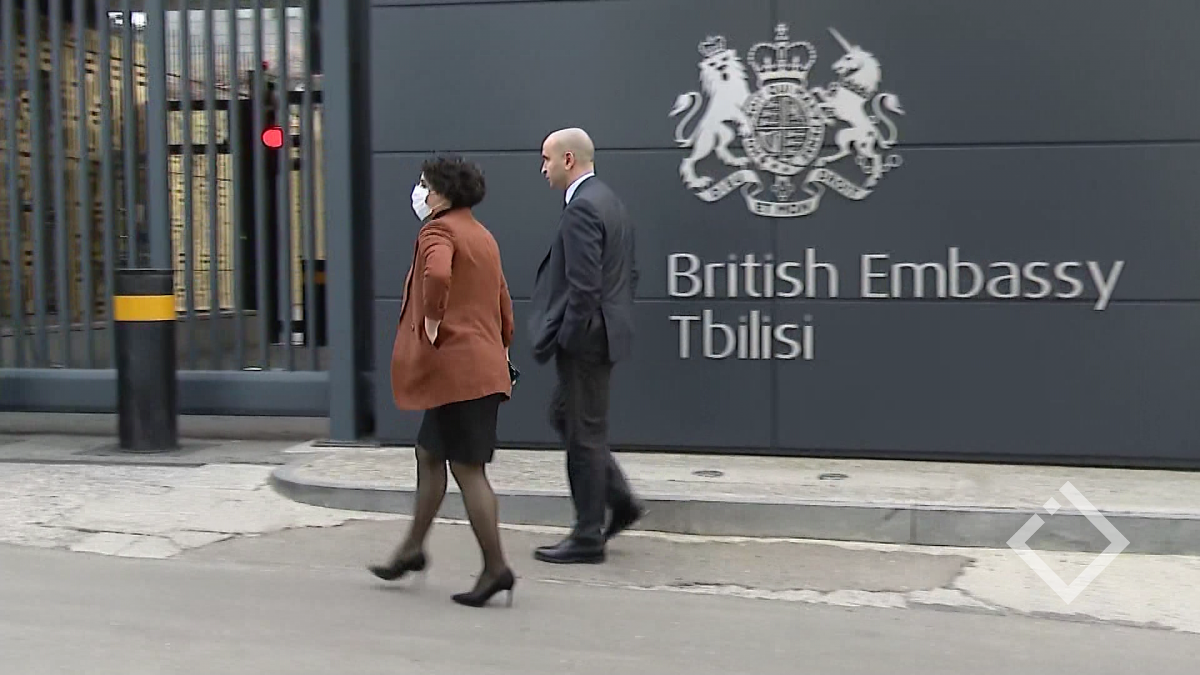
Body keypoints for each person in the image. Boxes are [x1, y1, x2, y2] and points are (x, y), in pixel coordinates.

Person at [370, 155, 517, 608]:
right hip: (480, 368)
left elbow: (436, 274)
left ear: (441, 193)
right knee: (430, 453)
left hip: (458, 371)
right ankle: (412, 549)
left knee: (468, 469)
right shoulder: (482, 235)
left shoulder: (438, 232)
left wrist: (433, 320)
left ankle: (496, 568)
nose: (420, 191)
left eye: (425, 184)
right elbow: (503, 300)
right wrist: (502, 343)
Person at [527, 127, 646, 565]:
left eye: (546, 159)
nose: (543, 169)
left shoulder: (582, 208)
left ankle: (587, 535)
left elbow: (584, 286)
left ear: (568, 160)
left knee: (583, 436)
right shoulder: (609, 201)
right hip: (605, 332)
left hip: (587, 340)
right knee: (566, 416)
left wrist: (570, 337)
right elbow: (629, 273)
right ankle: (620, 501)